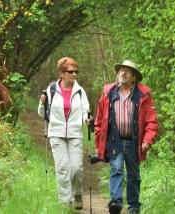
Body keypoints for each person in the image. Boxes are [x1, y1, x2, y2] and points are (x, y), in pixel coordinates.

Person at [93, 59, 159, 214]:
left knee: (134, 175)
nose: (123, 73)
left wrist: (148, 139)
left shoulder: (143, 95)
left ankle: (134, 206)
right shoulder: (108, 92)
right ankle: (115, 203)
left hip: (133, 142)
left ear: (133, 77)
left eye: (127, 71)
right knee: (116, 169)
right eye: (121, 70)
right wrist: (99, 136)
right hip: (114, 140)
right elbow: (100, 117)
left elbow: (152, 121)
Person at [38, 57, 91, 210]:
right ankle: (65, 202)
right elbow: (42, 114)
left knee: (75, 168)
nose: (74, 74)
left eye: (76, 71)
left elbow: (85, 112)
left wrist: (87, 119)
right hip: (56, 133)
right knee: (62, 168)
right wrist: (42, 102)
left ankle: (77, 194)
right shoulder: (51, 89)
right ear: (61, 73)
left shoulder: (80, 91)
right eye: (70, 71)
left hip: (75, 134)